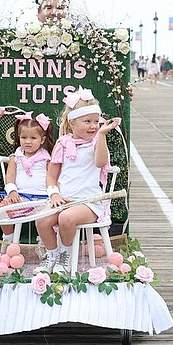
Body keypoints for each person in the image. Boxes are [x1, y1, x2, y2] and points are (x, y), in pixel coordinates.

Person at [34, 88, 121, 275]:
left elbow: (101, 163)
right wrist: (54, 194)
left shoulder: (96, 142)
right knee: (42, 220)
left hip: (88, 202)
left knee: (66, 218)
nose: (93, 126)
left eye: (96, 121)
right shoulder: (63, 143)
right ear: (72, 122)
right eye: (87, 121)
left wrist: (102, 135)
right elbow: (51, 176)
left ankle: (65, 256)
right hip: (64, 199)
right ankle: (52, 255)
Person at [0, 112, 54, 243]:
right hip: (20, 197)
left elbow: (52, 177)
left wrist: (53, 194)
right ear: (19, 138)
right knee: (2, 210)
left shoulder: (46, 158)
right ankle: (9, 239)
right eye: (24, 137)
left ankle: (44, 242)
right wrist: (12, 191)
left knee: (49, 216)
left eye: (33, 138)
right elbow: (10, 176)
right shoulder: (15, 157)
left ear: (42, 140)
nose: (28, 141)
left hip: (43, 199)